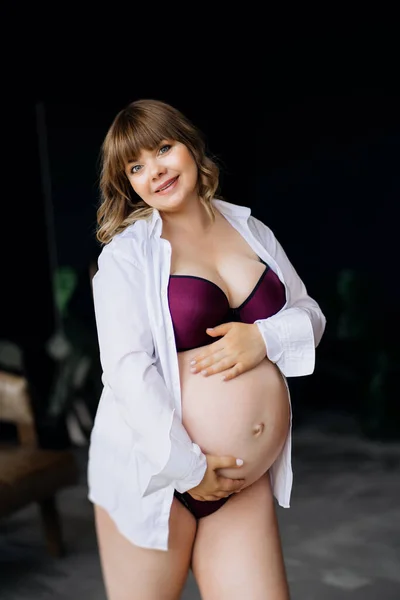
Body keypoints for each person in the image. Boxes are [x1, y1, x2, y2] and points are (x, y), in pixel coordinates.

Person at [88, 98, 326, 600]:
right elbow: (126, 371)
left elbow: (309, 314)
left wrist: (263, 337)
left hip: (239, 481)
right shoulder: (128, 256)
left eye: (163, 149)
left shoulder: (251, 230)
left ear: (190, 146)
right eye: (136, 167)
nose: (155, 171)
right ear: (127, 183)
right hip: (156, 476)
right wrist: (189, 471)